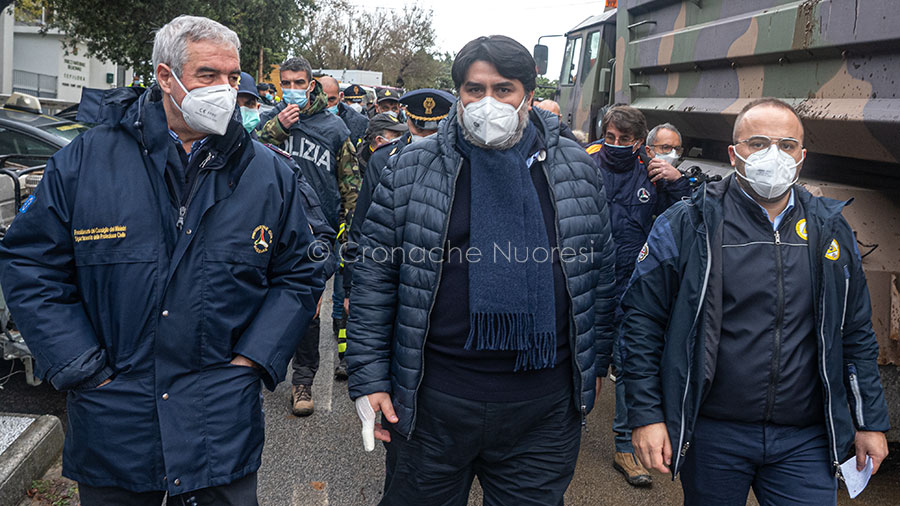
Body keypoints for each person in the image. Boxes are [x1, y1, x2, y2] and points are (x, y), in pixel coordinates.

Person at [0, 15, 324, 505]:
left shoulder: (267, 173)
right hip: (116, 418)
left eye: (232, 76)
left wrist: (252, 361)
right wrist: (82, 366)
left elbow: (299, 273)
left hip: (219, 420)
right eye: (207, 75)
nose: (224, 89)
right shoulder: (87, 161)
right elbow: (30, 265)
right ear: (165, 77)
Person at [346, 35, 616, 505]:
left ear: (528, 94)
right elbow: (374, 279)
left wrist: (595, 361)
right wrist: (368, 378)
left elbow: (600, 271)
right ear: (459, 94)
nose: (487, 103)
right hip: (433, 401)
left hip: (543, 410)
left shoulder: (575, 166)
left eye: (503, 89)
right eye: (475, 90)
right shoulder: (410, 167)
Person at [622, 98, 890, 505]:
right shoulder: (688, 223)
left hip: (804, 439)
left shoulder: (830, 229)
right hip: (714, 433)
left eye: (786, 145)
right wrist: (646, 415)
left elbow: (855, 332)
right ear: (734, 154)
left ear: (801, 157)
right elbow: (642, 323)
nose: (773, 155)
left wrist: (870, 421)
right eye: (758, 143)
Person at [584, 106, 691, 487]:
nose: (615, 144)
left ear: (639, 142)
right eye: (610, 137)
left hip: (632, 287)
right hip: (587, 282)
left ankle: (625, 449)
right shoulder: (586, 163)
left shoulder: (653, 172)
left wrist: (677, 183)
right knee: (577, 359)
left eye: (624, 139)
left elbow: (681, 220)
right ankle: (559, 429)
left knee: (630, 366)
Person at [258, 55, 362, 416]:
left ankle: (302, 381)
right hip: (270, 231)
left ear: (311, 85)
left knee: (308, 309)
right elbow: (245, 155)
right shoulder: (269, 121)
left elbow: (350, 185)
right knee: (264, 302)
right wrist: (277, 128)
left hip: (315, 234)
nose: (292, 89)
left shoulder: (334, 128)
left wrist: (349, 235)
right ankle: (261, 366)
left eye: (298, 83)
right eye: (285, 83)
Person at [341, 89, 455, 314]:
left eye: (434, 130)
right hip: (390, 270)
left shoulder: (458, 161)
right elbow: (362, 223)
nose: (427, 137)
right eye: (421, 129)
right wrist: (350, 286)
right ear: (410, 123)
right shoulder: (384, 158)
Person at [319, 76, 368, 151]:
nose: (327, 104)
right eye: (322, 100)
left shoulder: (359, 122)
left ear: (340, 97)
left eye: (331, 99)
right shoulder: (305, 117)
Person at [355, 111, 408, 177]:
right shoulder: (359, 164)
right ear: (379, 140)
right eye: (396, 136)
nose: (401, 139)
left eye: (401, 135)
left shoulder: (402, 156)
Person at [237, 71, 262, 136]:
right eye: (235, 104)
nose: (242, 111)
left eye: (249, 104)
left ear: (257, 107)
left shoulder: (262, 140)